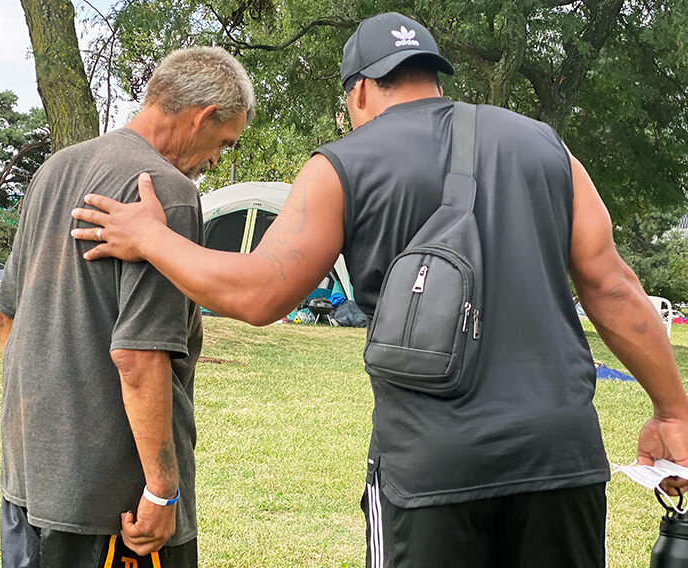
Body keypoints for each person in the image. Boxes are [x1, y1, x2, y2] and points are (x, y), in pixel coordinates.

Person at [70, 12, 688, 568]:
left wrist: (150, 237)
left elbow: (258, 294)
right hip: (561, 462)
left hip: (430, 469)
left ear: (359, 90)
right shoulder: (547, 147)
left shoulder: (344, 163)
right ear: (432, 75)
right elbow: (613, 289)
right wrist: (672, 411)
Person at [0, 46, 254, 568]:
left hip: (27, 483)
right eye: (222, 143)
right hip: (115, 507)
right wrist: (161, 489)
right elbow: (138, 355)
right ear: (203, 117)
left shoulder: (54, 170)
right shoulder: (168, 194)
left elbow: (7, 316)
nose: (215, 161)